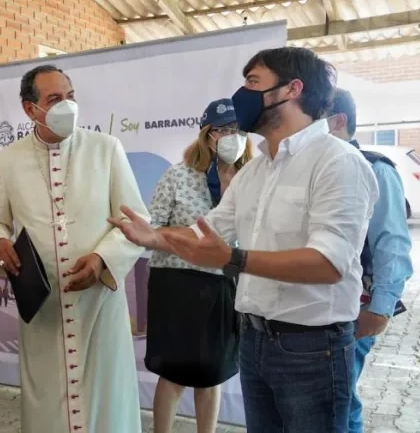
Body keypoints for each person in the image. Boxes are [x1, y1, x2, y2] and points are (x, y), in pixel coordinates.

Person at [110, 47, 379, 433]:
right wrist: (155, 238)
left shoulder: (337, 163)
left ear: (291, 90)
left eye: (253, 82)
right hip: (255, 339)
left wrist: (235, 259)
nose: (243, 94)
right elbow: (209, 231)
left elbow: (329, 263)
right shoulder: (257, 170)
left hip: (311, 348)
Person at [0, 64, 148, 433]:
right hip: (43, 307)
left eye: (70, 97)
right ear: (29, 109)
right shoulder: (8, 160)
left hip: (97, 303)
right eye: (54, 99)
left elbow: (135, 222)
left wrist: (103, 258)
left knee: (107, 402)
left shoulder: (106, 149)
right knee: (48, 400)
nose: (67, 105)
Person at [146, 99, 252, 433]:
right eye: (221, 130)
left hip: (223, 282)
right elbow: (153, 227)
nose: (229, 136)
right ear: (207, 136)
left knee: (212, 372)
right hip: (176, 282)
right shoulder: (178, 175)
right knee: (174, 371)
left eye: (237, 129)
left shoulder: (253, 178)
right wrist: (188, 239)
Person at [326, 88, 413, 433]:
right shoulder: (315, 170)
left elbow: (391, 242)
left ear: (338, 122)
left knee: (340, 397)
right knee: (330, 396)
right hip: (316, 306)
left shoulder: (375, 169)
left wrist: (380, 308)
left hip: (354, 308)